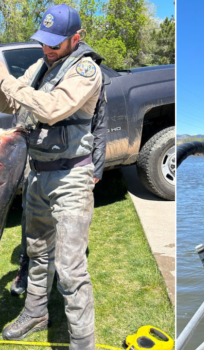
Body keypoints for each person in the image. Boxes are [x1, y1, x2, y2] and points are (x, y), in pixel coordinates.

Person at [0, 4, 103, 350]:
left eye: (55, 44)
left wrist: (6, 80)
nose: (47, 49)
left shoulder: (85, 70)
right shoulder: (41, 66)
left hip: (71, 179)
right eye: (43, 42)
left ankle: (83, 343)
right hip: (37, 174)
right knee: (38, 250)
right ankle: (35, 312)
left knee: (71, 269)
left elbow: (52, 107)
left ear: (77, 38)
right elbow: (12, 103)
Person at [10, 77, 107, 297]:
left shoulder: (89, 76)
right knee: (30, 219)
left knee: (68, 223)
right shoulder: (44, 70)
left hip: (71, 166)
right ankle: (25, 268)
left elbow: (99, 125)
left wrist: (97, 168)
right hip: (37, 159)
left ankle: (60, 278)